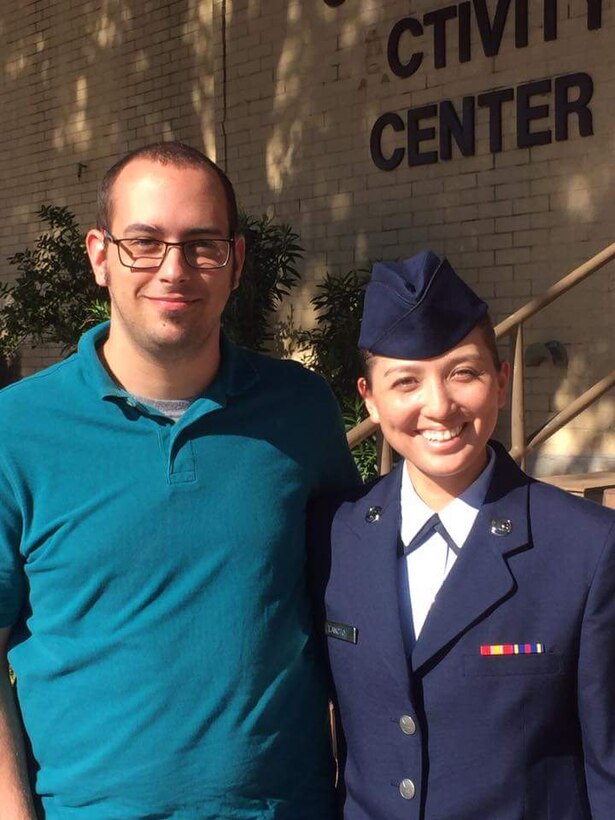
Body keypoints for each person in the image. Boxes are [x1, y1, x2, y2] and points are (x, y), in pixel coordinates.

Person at [0, 141, 359, 819]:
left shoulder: (298, 410)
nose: (175, 269)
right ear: (99, 255)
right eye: (144, 242)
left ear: (236, 261)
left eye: (201, 244)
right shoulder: (15, 429)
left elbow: (346, 605)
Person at [309, 250, 615, 819]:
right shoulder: (332, 538)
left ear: (501, 381)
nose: (439, 405)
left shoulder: (586, 549)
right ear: (370, 400)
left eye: (463, 372)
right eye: (406, 381)